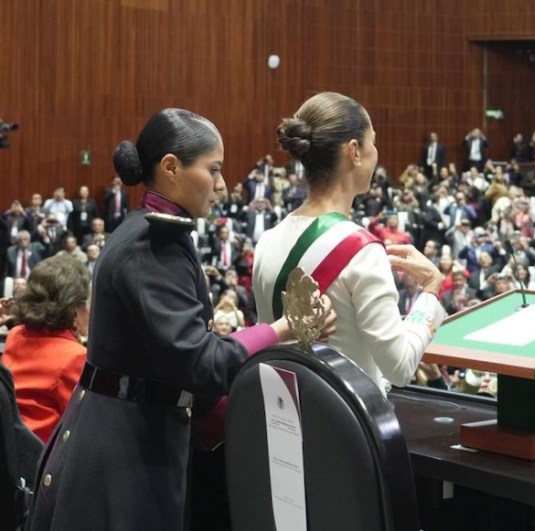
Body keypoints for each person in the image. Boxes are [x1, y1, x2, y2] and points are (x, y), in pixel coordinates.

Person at [26, 108, 335, 531]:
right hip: (125, 459)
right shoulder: (154, 246)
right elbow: (200, 362)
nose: (223, 185)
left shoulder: (143, 229)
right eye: (214, 169)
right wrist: (283, 328)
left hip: (122, 439)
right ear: (171, 167)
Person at [254, 92, 447, 392]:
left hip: (285, 421)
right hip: (346, 431)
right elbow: (400, 367)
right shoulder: (364, 251)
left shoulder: (267, 240)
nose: (376, 152)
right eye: (373, 142)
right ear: (355, 151)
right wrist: (431, 292)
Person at [2, 256, 89, 443]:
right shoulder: (75, 357)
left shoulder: (15, 335)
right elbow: (83, 427)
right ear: (74, 309)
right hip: (42, 464)